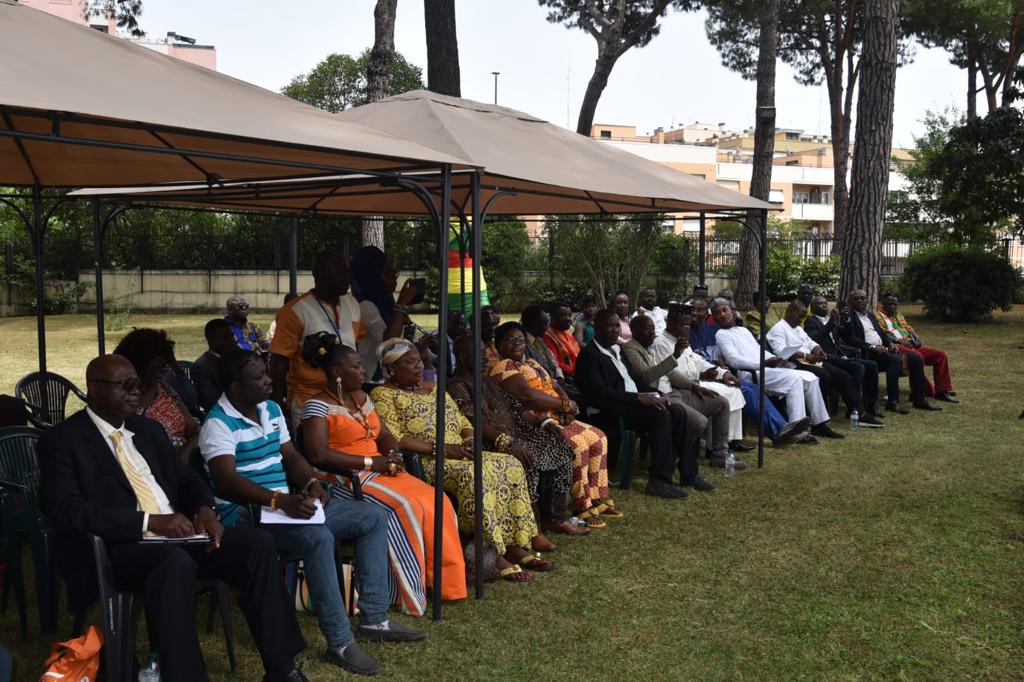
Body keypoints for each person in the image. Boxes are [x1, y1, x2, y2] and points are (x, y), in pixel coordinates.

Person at [38, 355, 309, 682]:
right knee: (173, 563)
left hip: (179, 537)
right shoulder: (63, 440)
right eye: (125, 386)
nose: (136, 392)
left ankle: (281, 667)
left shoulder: (148, 430)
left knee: (256, 544)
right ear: (94, 389)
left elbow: (187, 480)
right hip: (121, 549)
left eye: (137, 384)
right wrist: (149, 523)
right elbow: (65, 510)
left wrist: (204, 509)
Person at [201, 347, 426, 676]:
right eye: (259, 378)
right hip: (247, 515)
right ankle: (340, 642)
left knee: (373, 517)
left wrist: (310, 483)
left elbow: (292, 457)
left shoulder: (271, 409)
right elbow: (227, 482)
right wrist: (279, 502)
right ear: (235, 388)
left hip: (285, 507)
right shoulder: (217, 424)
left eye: (266, 373)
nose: (268, 381)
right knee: (318, 538)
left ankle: (375, 620)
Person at [300, 338, 467, 615]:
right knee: (407, 509)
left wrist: (392, 454)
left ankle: (443, 583)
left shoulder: (363, 398)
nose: (364, 371)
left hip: (382, 470)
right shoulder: (316, 406)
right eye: (356, 366)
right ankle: (405, 592)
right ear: (337, 373)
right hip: (346, 479)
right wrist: (370, 461)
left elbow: (386, 434)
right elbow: (317, 455)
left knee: (437, 501)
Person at [371, 338, 550, 582]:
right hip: (427, 460)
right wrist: (443, 449)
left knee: (510, 464)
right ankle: (493, 553)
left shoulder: (433, 388)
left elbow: (462, 421)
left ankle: (513, 544)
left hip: (459, 452)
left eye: (420, 361)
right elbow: (395, 438)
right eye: (410, 363)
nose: (419, 367)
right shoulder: (383, 395)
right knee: (476, 475)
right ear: (391, 368)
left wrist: (468, 439)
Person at [449, 335, 584, 542]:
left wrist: (544, 423)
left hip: (518, 432)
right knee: (526, 459)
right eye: (480, 352)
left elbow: (517, 409)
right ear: (464, 357)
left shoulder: (487, 380)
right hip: (491, 441)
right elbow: (473, 422)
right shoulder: (457, 386)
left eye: (485, 351)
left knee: (561, 448)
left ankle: (555, 518)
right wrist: (507, 442)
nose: (486, 356)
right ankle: (533, 528)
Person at [489, 322, 617, 528]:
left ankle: (596, 497)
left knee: (598, 436)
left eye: (520, 339)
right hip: (536, 422)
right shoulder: (503, 367)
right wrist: (565, 405)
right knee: (578, 444)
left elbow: (556, 385)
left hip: (557, 414)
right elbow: (528, 397)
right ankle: (581, 505)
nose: (516, 344)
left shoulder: (531, 362)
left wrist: (566, 406)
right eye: (510, 340)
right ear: (498, 345)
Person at [576, 310, 710, 497]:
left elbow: (636, 382)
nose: (615, 330)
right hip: (611, 410)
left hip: (632, 403)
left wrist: (659, 394)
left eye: (617, 325)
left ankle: (689, 474)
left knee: (677, 411)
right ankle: (659, 481)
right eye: (610, 326)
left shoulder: (617, 351)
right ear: (597, 327)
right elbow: (598, 391)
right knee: (660, 416)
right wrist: (638, 398)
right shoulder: (589, 355)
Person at [653, 304, 807, 450]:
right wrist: (701, 374)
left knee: (751, 388)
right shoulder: (661, 343)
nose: (687, 329)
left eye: (687, 325)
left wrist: (723, 373)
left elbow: (697, 360)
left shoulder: (680, 339)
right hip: (684, 388)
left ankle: (780, 429)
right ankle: (769, 433)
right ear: (670, 322)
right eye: (683, 325)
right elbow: (673, 374)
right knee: (744, 391)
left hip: (702, 379)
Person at [622, 315, 746, 471]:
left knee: (721, 402)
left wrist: (694, 387)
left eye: (653, 328)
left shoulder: (650, 347)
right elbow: (647, 377)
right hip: (660, 397)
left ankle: (719, 455)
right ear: (634, 330)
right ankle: (672, 455)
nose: (652, 332)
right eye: (648, 328)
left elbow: (671, 374)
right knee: (699, 422)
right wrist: (675, 356)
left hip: (677, 392)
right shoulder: (630, 348)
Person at [715, 301, 844, 441]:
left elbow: (759, 351)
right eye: (718, 313)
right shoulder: (721, 334)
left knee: (810, 377)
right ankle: (797, 431)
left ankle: (819, 424)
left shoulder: (743, 330)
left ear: (732, 312)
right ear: (715, 319)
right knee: (795, 379)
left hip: (766, 368)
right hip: (750, 373)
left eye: (724, 310)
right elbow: (734, 360)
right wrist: (764, 364)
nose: (722, 314)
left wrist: (776, 359)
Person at [270, 250, 366, 426]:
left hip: (348, 396)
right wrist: (277, 404)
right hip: (309, 398)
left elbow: (356, 346)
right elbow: (278, 362)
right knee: (316, 452)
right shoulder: (294, 311)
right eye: (341, 273)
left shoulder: (352, 304)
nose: (348, 278)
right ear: (320, 275)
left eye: (348, 272)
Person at [767, 300, 881, 426]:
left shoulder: (797, 328)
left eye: (803, 317)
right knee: (825, 375)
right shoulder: (778, 329)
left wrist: (818, 350)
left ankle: (859, 412)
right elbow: (781, 352)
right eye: (800, 316)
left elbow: (810, 342)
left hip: (811, 361)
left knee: (842, 375)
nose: (801, 320)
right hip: (796, 365)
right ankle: (821, 419)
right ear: (790, 311)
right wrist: (805, 355)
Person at [838, 289, 941, 413]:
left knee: (916, 358)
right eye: (856, 298)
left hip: (882, 349)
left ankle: (919, 398)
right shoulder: (848, 316)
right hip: (866, 352)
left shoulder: (870, 315)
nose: (859, 300)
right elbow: (850, 338)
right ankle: (892, 401)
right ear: (850, 302)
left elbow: (881, 333)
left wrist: (890, 343)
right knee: (894, 361)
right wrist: (872, 347)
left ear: (867, 300)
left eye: (862, 298)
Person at [114, 328, 199, 455]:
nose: (158, 375)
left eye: (161, 370)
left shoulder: (162, 387)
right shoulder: (119, 398)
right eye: (152, 370)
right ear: (135, 365)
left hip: (184, 458)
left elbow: (192, 428)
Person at [804, 295, 886, 427]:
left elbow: (847, 336)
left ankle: (870, 405)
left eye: (825, 303)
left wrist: (846, 319)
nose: (824, 305)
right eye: (820, 304)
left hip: (840, 356)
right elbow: (816, 339)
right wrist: (831, 322)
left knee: (871, 365)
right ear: (812, 308)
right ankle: (854, 407)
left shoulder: (831, 320)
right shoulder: (811, 322)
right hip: (827, 358)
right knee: (858, 367)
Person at [350, 245, 419, 383]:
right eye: (388, 272)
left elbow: (405, 337)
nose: (394, 276)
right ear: (372, 275)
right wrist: (401, 305)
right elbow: (388, 345)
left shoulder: (388, 303)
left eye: (395, 271)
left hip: (391, 378)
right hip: (371, 381)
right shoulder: (366, 306)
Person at [876, 292, 958, 403]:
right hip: (897, 347)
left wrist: (915, 335)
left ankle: (942, 391)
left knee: (940, 355)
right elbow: (883, 334)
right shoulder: (878, 316)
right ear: (883, 304)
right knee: (916, 358)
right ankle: (922, 391)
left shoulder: (898, 314)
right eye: (890, 304)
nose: (893, 306)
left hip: (911, 346)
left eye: (895, 304)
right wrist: (902, 342)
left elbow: (907, 327)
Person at [192, 319, 237, 412]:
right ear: (210, 340)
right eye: (224, 337)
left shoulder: (238, 358)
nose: (232, 340)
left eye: (232, 336)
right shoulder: (201, 367)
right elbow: (210, 403)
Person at [521, 304, 564, 383]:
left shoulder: (539, 340)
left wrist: (559, 377)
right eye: (543, 323)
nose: (547, 328)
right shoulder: (523, 346)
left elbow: (553, 361)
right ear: (533, 324)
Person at [543, 301, 582, 378]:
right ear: (552, 316)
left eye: (569, 315)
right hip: (568, 377)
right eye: (563, 315)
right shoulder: (547, 336)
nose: (568, 318)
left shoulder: (567, 332)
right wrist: (577, 371)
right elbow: (555, 363)